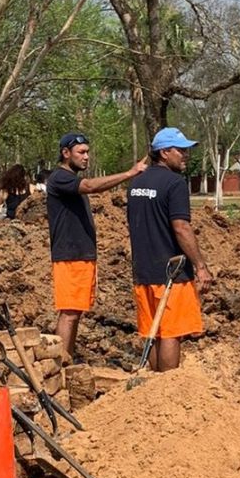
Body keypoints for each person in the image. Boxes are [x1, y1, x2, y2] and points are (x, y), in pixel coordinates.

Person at [46, 132, 147, 359]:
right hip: (70, 255)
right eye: (81, 152)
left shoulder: (69, 180)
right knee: (69, 313)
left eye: (88, 152)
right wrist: (130, 173)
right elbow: (91, 186)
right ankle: (58, 366)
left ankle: (66, 361)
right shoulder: (60, 178)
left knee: (75, 312)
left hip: (80, 255)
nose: (87, 157)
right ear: (65, 153)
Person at [127, 127, 213, 372]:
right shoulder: (174, 183)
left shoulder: (137, 183)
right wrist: (200, 266)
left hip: (143, 272)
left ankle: (153, 387)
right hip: (171, 272)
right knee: (171, 333)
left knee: (152, 333)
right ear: (164, 152)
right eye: (181, 150)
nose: (186, 155)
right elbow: (181, 227)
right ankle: (169, 388)